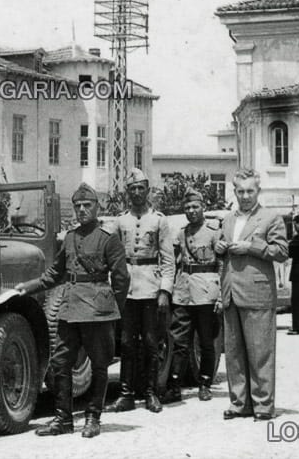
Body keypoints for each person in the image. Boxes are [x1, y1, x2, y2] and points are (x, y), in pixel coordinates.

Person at [14, 183, 129, 438]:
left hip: (97, 310)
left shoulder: (108, 239)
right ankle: (63, 419)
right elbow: (56, 273)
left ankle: (92, 417)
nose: (82, 210)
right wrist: (30, 286)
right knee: (60, 363)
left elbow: (121, 280)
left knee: (99, 365)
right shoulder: (70, 238)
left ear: (97, 207)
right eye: (78, 206)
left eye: (87, 205)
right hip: (71, 307)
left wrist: (111, 310)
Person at [215, 169, 288, 421]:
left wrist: (252, 247)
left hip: (257, 292)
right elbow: (221, 254)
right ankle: (239, 403)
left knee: (260, 352)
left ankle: (263, 405)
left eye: (250, 191)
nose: (245, 196)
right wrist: (219, 247)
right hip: (230, 292)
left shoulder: (271, 217)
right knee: (234, 353)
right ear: (234, 192)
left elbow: (281, 251)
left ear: (258, 191)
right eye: (240, 191)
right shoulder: (227, 220)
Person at [104, 167, 174, 413]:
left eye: (140, 188)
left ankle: (151, 393)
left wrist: (165, 291)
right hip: (127, 290)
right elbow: (110, 252)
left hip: (151, 288)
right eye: (132, 188)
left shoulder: (159, 220)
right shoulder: (120, 220)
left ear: (148, 190)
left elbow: (168, 259)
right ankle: (126, 394)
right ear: (127, 192)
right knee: (126, 343)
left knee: (152, 343)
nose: (136, 192)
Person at [164, 189, 222, 404]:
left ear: (203, 207)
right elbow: (176, 260)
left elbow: (223, 264)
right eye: (187, 208)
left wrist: (222, 296)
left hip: (206, 292)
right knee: (180, 341)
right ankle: (175, 386)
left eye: (195, 206)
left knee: (206, 341)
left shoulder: (214, 231)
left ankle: (205, 383)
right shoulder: (181, 233)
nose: (191, 211)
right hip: (184, 292)